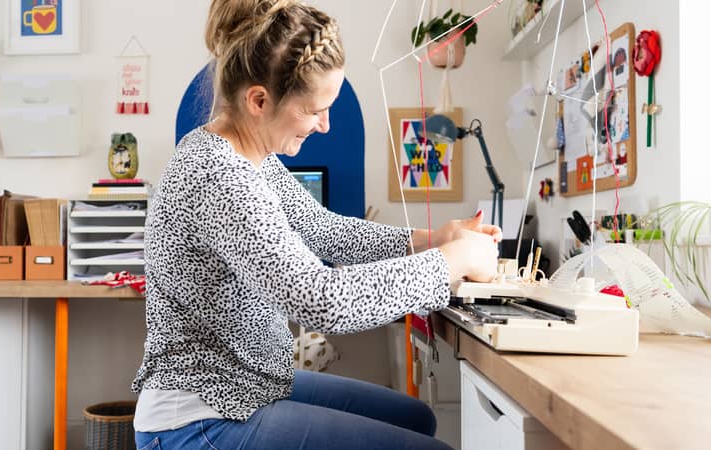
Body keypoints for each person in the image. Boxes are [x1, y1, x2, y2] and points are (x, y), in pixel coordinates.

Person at [131, 1, 501, 449]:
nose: (325, 126)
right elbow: (320, 299)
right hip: (199, 417)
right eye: (315, 109)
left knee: (415, 418)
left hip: (245, 385)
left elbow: (326, 231)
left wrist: (432, 239)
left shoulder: (252, 158)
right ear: (259, 100)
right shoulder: (218, 175)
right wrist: (451, 261)